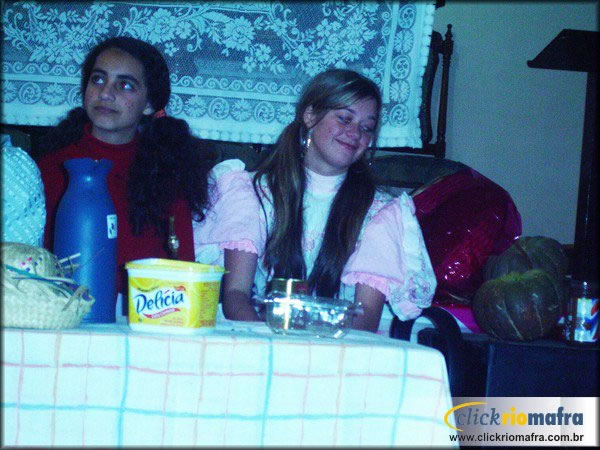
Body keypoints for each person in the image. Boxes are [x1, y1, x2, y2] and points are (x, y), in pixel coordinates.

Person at [193, 69, 436, 333]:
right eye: (345, 118)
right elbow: (236, 295)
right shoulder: (253, 192)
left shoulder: (379, 212)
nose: (355, 133)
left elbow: (365, 319)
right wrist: (271, 344)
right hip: (258, 337)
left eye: (366, 127)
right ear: (310, 116)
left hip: (340, 346)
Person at [37, 36, 213, 300]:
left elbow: (181, 271)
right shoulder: (50, 166)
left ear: (150, 104)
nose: (106, 93)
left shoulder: (167, 173)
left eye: (125, 85)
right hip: (59, 310)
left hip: (144, 314)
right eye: (98, 79)